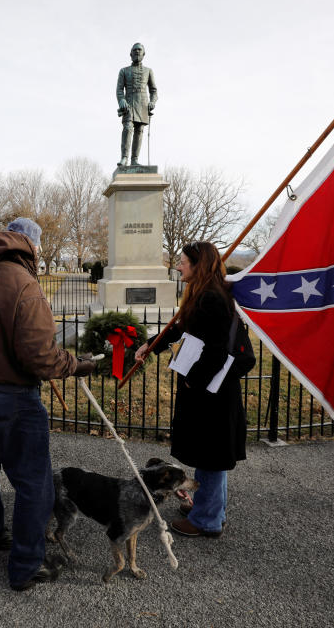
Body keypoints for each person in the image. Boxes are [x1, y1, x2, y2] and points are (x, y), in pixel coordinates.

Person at [0, 217, 95, 592]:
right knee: (33, 483)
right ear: (32, 247)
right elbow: (42, 359)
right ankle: (26, 565)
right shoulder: (25, 285)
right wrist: (80, 365)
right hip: (10, 397)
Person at [134, 241, 247, 539]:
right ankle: (210, 510)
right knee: (211, 454)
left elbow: (218, 350)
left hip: (211, 391)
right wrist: (152, 344)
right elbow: (181, 327)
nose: (179, 266)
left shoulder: (212, 298)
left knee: (211, 456)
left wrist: (192, 380)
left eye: (183, 262)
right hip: (207, 389)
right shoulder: (202, 295)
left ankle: (206, 521)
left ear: (198, 265)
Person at [116, 42, 157, 167]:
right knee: (128, 128)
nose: (137, 52)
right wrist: (122, 100)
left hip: (143, 104)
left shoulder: (148, 71)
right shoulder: (124, 71)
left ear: (144, 54)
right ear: (130, 54)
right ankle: (124, 158)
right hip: (129, 104)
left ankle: (134, 159)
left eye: (139, 50)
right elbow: (119, 90)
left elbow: (154, 91)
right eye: (135, 50)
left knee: (139, 131)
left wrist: (152, 102)